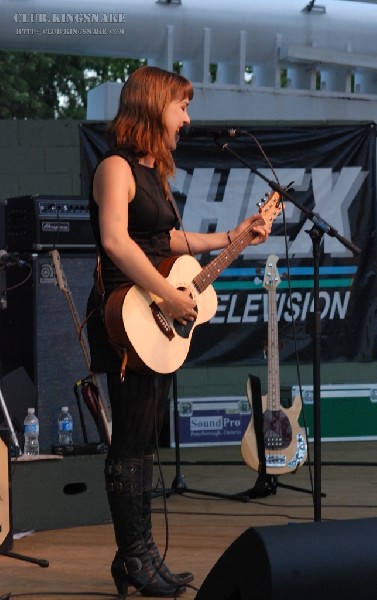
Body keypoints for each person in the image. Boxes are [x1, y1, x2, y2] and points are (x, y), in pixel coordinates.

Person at [86, 66, 272, 598]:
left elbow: (167, 237)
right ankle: (133, 557)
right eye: (181, 106)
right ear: (153, 106)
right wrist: (169, 295)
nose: (187, 118)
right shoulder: (115, 168)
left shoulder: (152, 174)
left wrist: (235, 236)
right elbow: (117, 243)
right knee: (128, 443)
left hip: (155, 320)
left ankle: (141, 555)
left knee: (145, 444)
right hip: (127, 317)